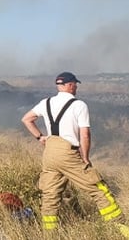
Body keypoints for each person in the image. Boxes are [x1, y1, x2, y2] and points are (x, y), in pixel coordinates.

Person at [21, 71, 122, 229]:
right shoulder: (79, 105)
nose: (76, 87)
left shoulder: (45, 103)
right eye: (75, 84)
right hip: (67, 152)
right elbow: (85, 134)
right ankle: (118, 225)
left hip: (49, 153)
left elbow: (26, 119)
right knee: (97, 187)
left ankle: (50, 236)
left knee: (50, 195)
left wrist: (40, 137)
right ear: (69, 85)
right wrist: (85, 157)